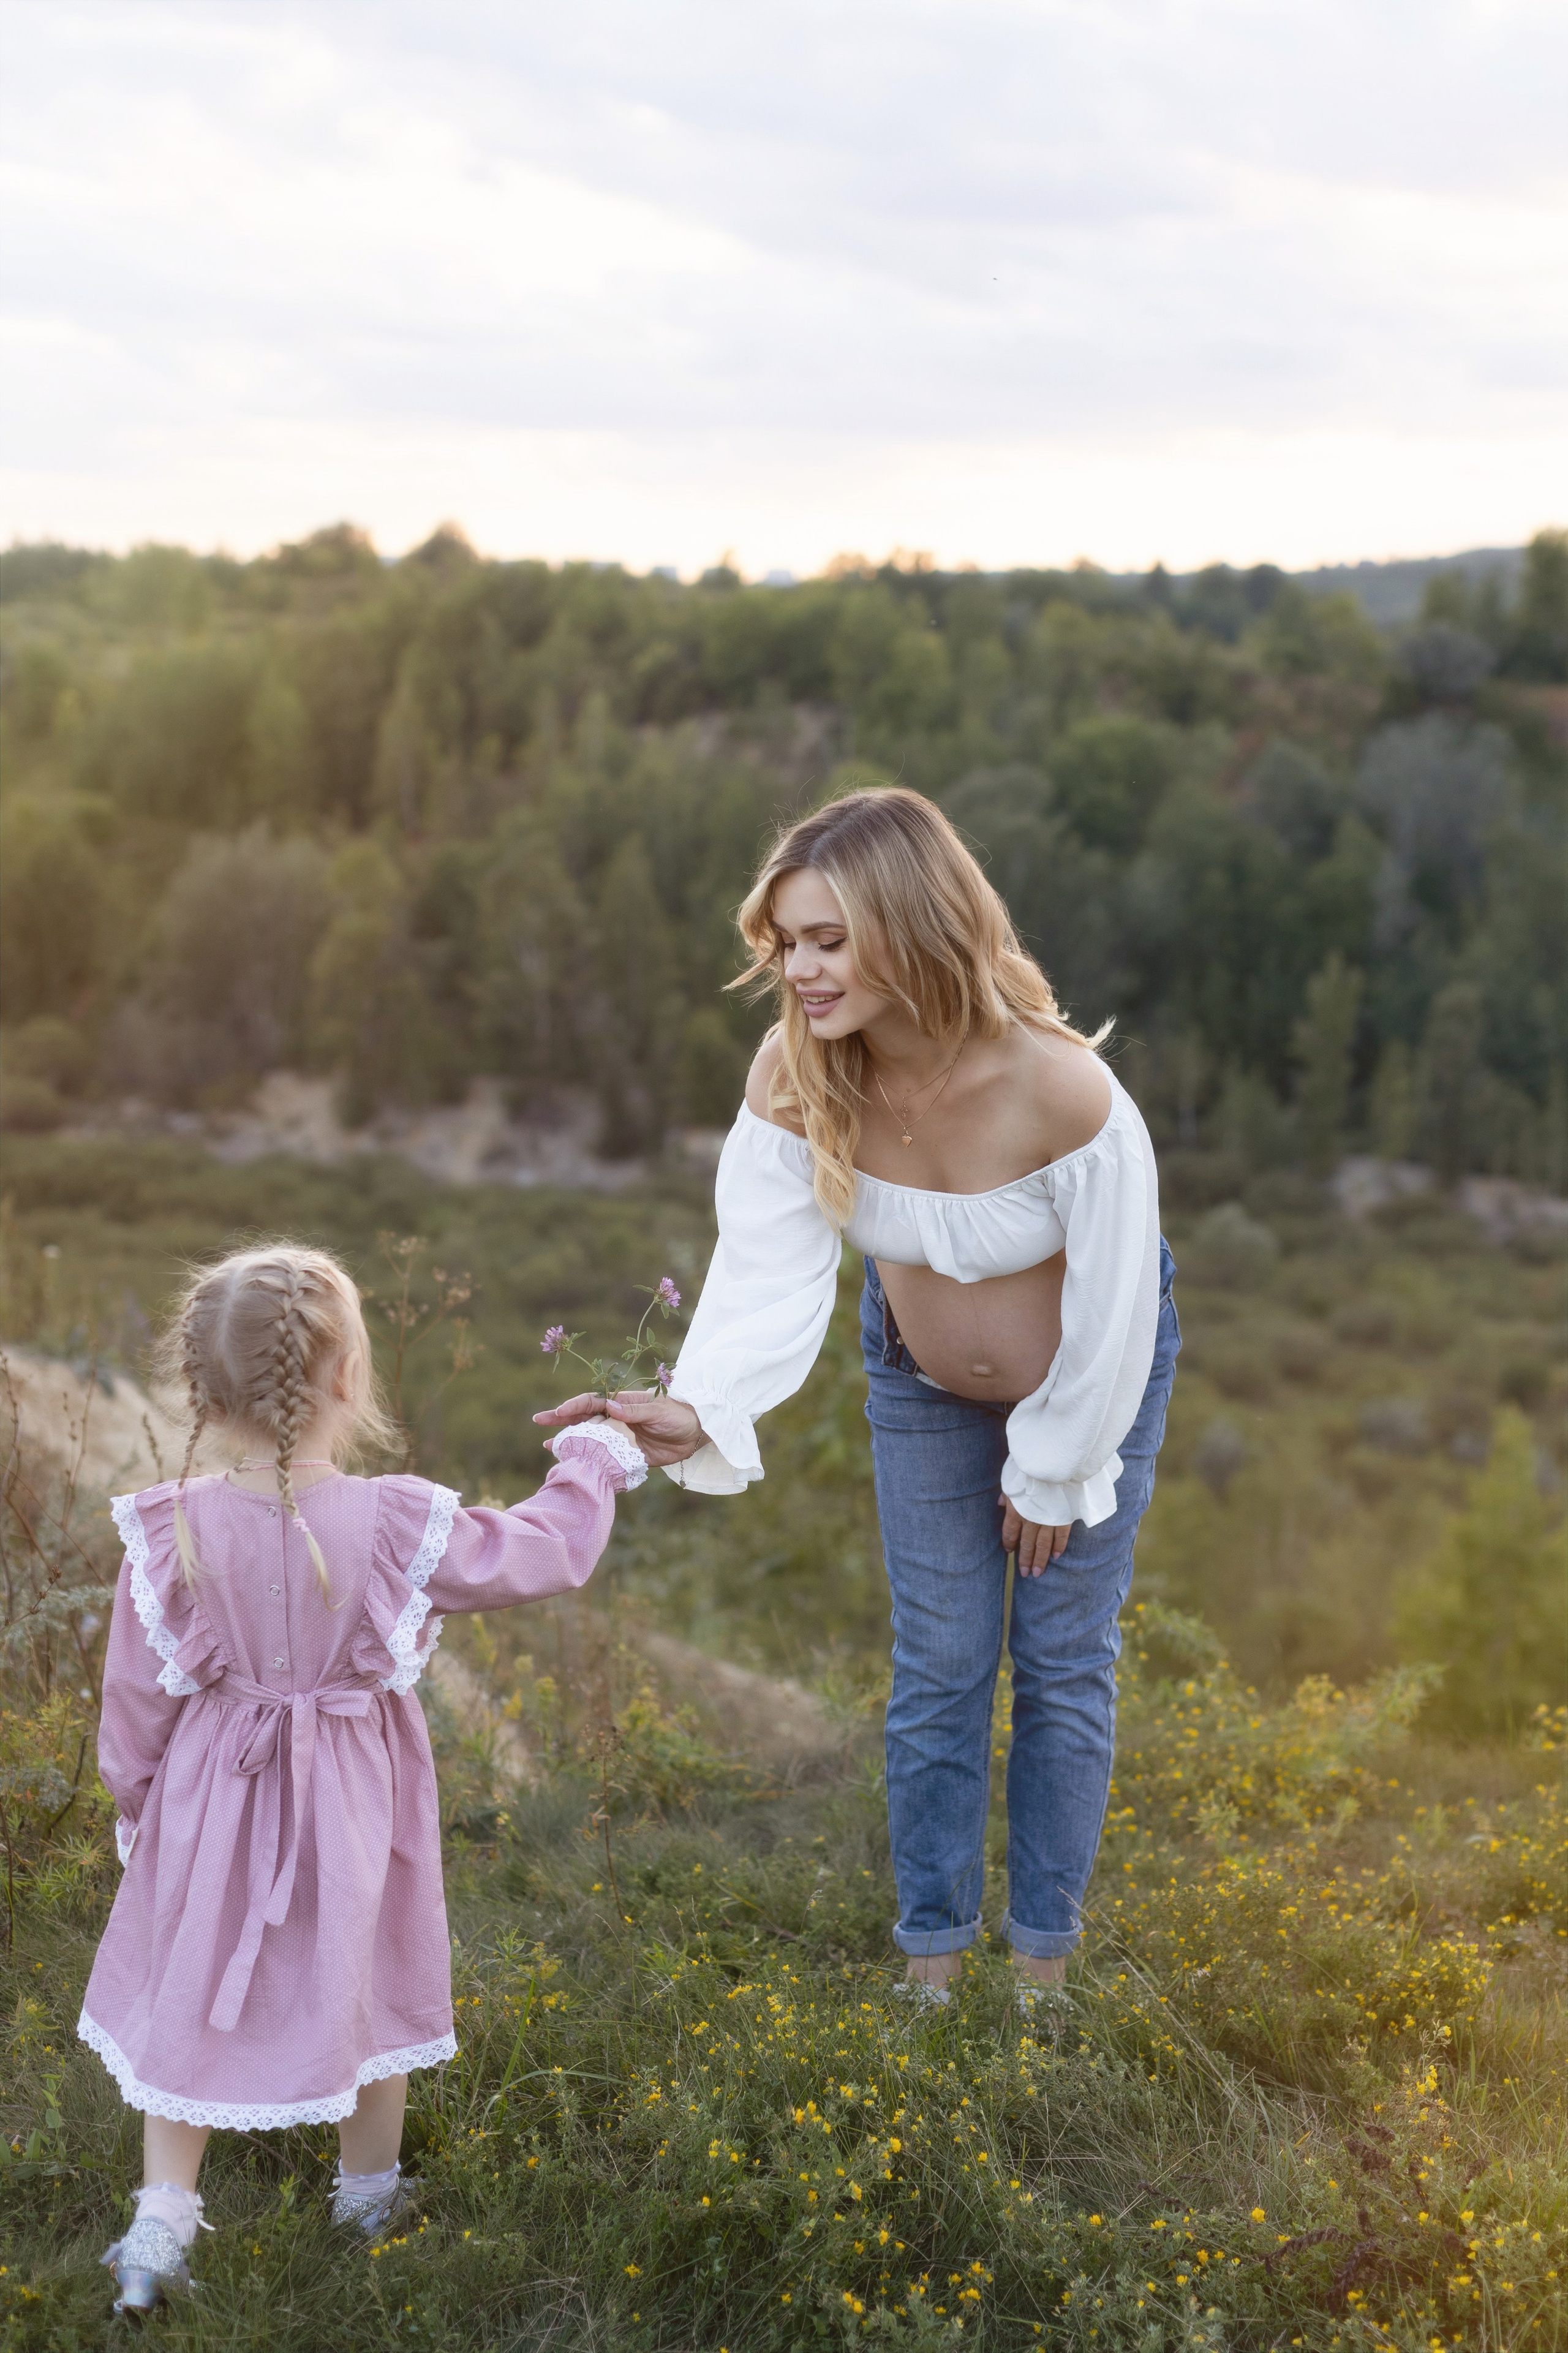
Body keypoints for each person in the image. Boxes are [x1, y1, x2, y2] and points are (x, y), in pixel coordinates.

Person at [538, 785, 1178, 2009]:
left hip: (1093, 1384)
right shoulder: (797, 1070)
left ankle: (1041, 1966)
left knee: (1058, 1664)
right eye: (786, 940)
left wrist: (1054, 1462)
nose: (801, 967)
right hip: (919, 1382)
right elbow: (766, 1261)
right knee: (939, 1664)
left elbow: (1114, 1311)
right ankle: (929, 1968)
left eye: (828, 937)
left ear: (911, 923)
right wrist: (703, 1400)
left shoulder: (1060, 1089)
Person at [82, 1243, 646, 2313]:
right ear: (347, 1376)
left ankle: (162, 2219)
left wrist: (138, 1809)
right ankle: (369, 2195)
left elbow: (134, 1704)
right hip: (351, 1797)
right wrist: (593, 1458)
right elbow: (541, 1551)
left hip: (212, 1796)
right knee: (371, 1975)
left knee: (191, 1982)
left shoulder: (169, 1529)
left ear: (201, 1379)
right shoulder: (396, 1520)